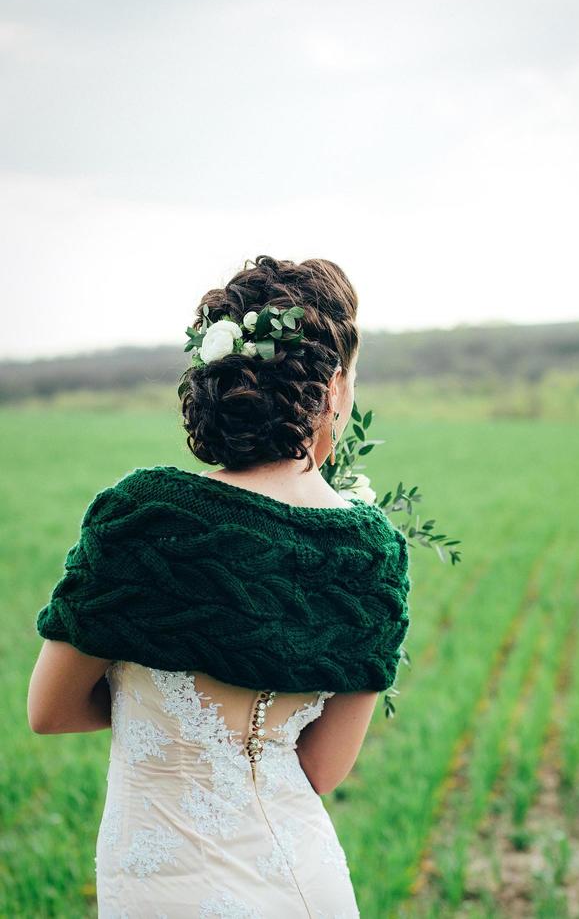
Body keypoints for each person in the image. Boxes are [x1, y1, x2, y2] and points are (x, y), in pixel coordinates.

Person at [28, 255, 411, 918]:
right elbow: (321, 771)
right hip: (306, 883)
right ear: (336, 391)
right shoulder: (374, 552)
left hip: (162, 886)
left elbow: (51, 710)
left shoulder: (144, 517)